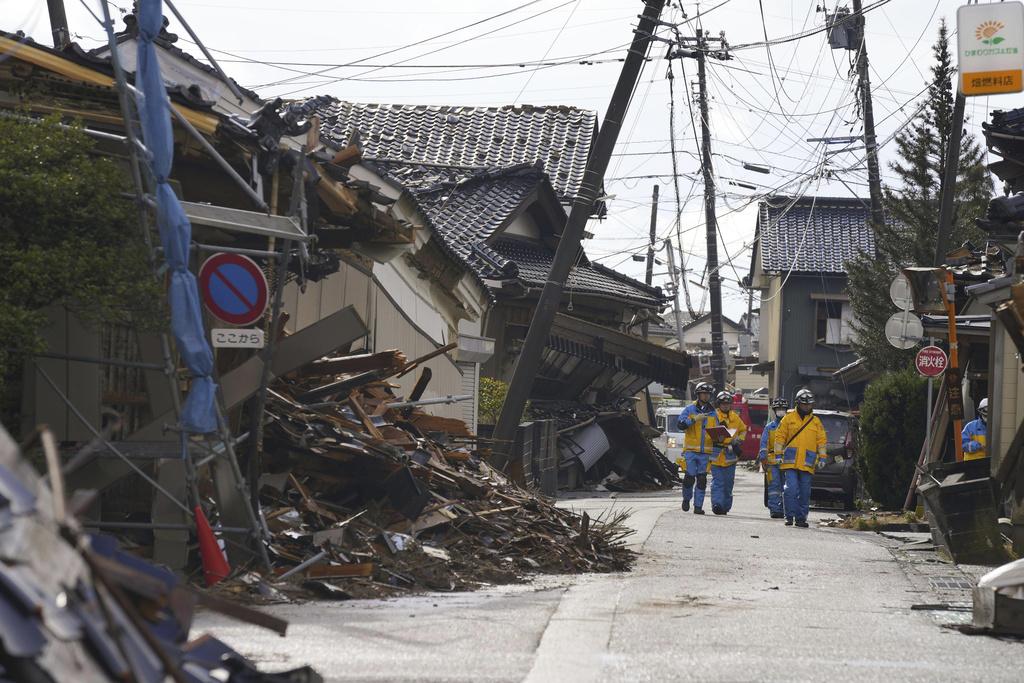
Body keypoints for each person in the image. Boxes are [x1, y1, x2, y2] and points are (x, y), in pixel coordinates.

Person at [774, 389, 827, 528]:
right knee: (790, 489)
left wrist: (822, 457)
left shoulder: (816, 422)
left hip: (807, 462)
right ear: (798, 403)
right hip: (790, 462)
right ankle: (789, 516)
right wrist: (778, 454)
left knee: (804, 492)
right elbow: (780, 437)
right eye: (804, 404)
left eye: (809, 404)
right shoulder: (788, 418)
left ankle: (801, 518)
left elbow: (821, 441)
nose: (807, 406)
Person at [677, 382, 717, 514]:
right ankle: (686, 499)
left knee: (701, 480)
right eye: (703, 394)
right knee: (689, 478)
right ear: (698, 395)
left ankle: (698, 506)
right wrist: (694, 419)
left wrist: (721, 437)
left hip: (705, 452)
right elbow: (680, 425)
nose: (706, 396)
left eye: (708, 394)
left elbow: (718, 430)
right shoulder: (689, 409)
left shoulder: (713, 413)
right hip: (691, 451)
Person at [709, 391, 747, 515]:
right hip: (716, 453)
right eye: (723, 403)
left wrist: (738, 440)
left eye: (727, 403)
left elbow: (743, 430)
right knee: (718, 482)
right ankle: (717, 505)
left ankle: (725, 506)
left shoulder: (735, 418)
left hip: (730, 454)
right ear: (718, 404)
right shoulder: (713, 416)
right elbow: (706, 432)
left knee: (728, 483)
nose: (725, 406)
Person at [758, 398, 788, 519]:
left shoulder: (791, 427)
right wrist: (763, 458)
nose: (781, 411)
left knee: (787, 487)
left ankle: (786, 509)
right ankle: (775, 510)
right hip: (772, 462)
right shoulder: (769, 427)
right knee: (774, 487)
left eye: (783, 409)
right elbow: (763, 444)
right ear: (775, 411)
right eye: (778, 409)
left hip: (787, 462)